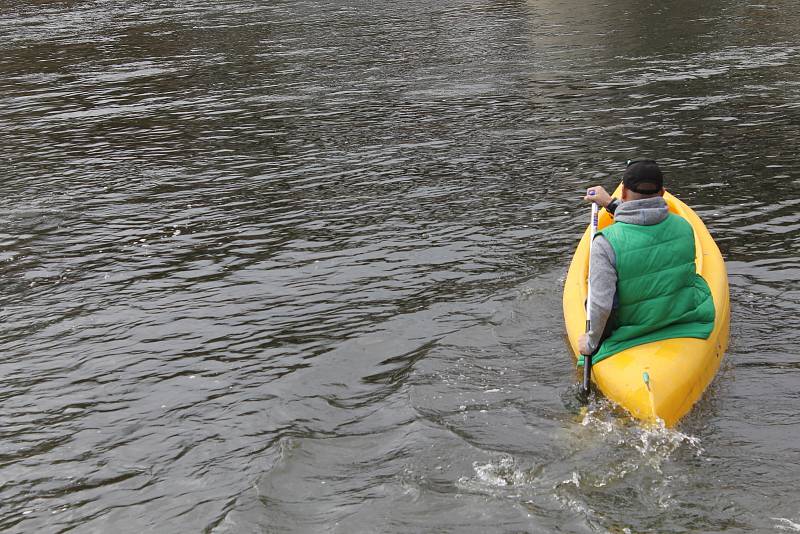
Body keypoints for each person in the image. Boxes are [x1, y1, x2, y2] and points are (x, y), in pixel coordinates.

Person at [577, 160, 715, 365]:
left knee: (591, 301)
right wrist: (610, 204)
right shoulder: (684, 226)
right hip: (683, 319)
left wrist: (589, 343)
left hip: (631, 331)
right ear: (662, 193)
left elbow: (600, 305)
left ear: (623, 193)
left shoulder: (605, 243)